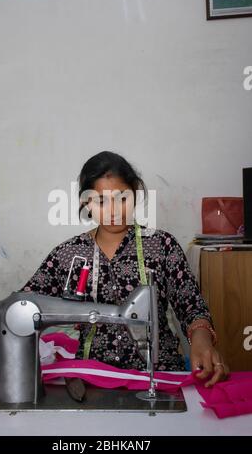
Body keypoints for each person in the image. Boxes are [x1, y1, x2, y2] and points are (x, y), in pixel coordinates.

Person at [20, 151, 228, 387]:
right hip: (91, 379)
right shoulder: (69, 254)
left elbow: (191, 305)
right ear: (85, 202)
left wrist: (202, 341)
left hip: (159, 375)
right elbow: (24, 305)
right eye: (100, 201)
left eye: (121, 198)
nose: (113, 210)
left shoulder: (162, 246)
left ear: (136, 193)